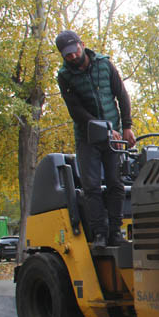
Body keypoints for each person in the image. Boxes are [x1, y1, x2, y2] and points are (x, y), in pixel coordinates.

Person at [55, 30, 136, 249]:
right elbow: (76, 111)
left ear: (81, 45)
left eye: (74, 51)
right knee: (91, 186)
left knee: (115, 182)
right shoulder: (64, 76)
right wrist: (105, 129)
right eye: (67, 55)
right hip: (87, 137)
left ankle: (115, 232)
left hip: (115, 137)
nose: (72, 57)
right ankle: (99, 233)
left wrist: (126, 126)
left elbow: (121, 94)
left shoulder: (104, 65)